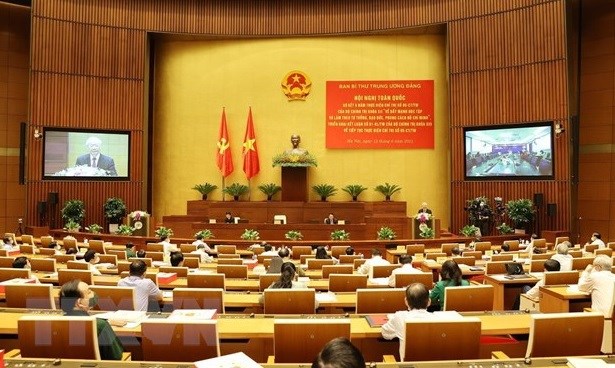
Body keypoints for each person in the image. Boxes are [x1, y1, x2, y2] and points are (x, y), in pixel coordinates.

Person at [59, 279, 125, 360]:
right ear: (79, 303)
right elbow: (116, 356)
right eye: (89, 292)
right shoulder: (100, 325)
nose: (93, 293)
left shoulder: (56, 323)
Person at [381, 283, 438, 361]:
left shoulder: (399, 317)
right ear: (429, 302)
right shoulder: (437, 319)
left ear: (406, 301)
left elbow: (385, 333)